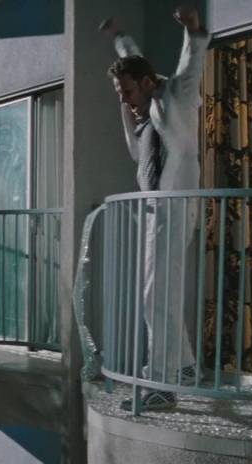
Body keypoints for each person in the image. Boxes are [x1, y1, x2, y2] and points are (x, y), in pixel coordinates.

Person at [101, 7, 211, 410]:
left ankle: (162, 386)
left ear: (148, 84)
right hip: (154, 213)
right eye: (120, 94)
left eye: (128, 92)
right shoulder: (143, 105)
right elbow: (134, 59)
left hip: (174, 208)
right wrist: (120, 38)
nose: (126, 101)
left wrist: (193, 33)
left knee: (156, 297)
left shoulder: (175, 98)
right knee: (161, 294)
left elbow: (190, 67)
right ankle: (183, 366)